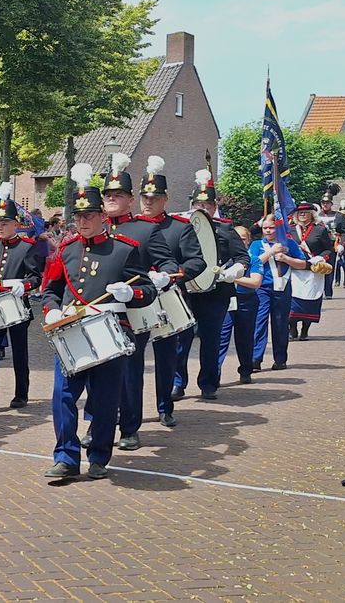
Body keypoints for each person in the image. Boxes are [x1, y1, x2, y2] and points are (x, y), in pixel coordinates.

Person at [39, 164, 156, 480]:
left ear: (103, 216)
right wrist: (51, 310)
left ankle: (99, 456)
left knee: (104, 401)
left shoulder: (124, 250)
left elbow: (148, 291)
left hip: (109, 332)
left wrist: (129, 292)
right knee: (63, 397)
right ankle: (66, 457)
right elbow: (50, 290)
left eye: (89, 215)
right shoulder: (66, 251)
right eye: (78, 217)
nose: (82, 222)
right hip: (71, 331)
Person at [95, 153, 178, 451]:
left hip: (133, 310)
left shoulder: (145, 229)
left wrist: (160, 278)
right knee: (96, 371)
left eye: (119, 194)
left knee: (130, 371)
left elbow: (168, 264)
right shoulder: (94, 227)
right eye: (108, 195)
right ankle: (97, 425)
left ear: (131, 199)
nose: (112, 199)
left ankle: (130, 427)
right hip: (97, 311)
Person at [138, 156, 207, 415]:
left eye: (154, 198)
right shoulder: (133, 227)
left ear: (165, 199)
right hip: (137, 300)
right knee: (132, 360)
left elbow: (196, 262)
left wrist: (173, 276)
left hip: (169, 298)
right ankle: (129, 412)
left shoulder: (180, 228)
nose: (148, 202)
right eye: (145, 197)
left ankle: (164, 406)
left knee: (166, 358)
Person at [174, 170, 249, 400]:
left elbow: (242, 257)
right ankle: (178, 382)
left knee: (211, 338)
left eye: (207, 204)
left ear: (214, 207)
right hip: (187, 290)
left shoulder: (225, 229)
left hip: (216, 292)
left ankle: (208, 383)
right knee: (181, 338)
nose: (203, 208)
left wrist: (235, 270)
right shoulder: (181, 227)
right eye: (198, 203)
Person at [0, 185, 43, 412]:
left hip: (16, 301)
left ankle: (21, 393)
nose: (0, 227)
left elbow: (36, 277)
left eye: (4, 223)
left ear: (16, 224)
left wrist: (24, 285)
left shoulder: (27, 247)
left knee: (19, 350)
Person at [250, 215, 308, 372]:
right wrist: (270, 253)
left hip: (282, 288)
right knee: (259, 322)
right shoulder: (256, 244)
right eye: (265, 228)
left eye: (272, 228)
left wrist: (285, 258)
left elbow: (303, 264)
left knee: (280, 323)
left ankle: (280, 359)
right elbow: (251, 263)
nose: (268, 231)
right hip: (262, 288)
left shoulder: (289, 244)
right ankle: (255, 358)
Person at [218, 226, 262, 384]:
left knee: (245, 338)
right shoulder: (223, 260)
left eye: (243, 238)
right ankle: (214, 376)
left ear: (248, 240)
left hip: (246, 301)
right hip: (226, 300)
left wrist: (231, 278)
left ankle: (245, 370)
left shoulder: (253, 259)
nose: (239, 241)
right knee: (220, 338)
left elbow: (256, 282)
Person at [288, 202, 334, 341]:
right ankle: (292, 328)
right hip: (294, 269)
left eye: (306, 212)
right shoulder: (289, 230)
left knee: (310, 300)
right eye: (300, 213)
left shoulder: (320, 230)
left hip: (313, 270)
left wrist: (320, 258)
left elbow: (328, 249)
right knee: (292, 299)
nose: (302, 215)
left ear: (312, 214)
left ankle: (305, 329)